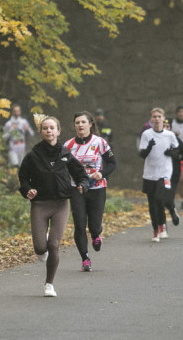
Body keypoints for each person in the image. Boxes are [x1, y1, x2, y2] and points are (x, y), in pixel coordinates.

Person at [18, 115, 89, 296]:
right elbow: (23, 178)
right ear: (41, 132)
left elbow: (81, 174)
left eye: (52, 128)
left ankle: (49, 284)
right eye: (45, 128)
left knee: (54, 245)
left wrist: (83, 185)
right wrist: (28, 190)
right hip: (40, 205)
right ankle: (43, 242)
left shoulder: (65, 155)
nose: (49, 131)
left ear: (58, 131)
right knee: (40, 248)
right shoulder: (33, 155)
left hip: (60, 204)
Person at [63, 111, 116, 272]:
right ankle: (85, 258)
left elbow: (112, 163)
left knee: (94, 225)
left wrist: (102, 173)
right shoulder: (68, 146)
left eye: (83, 122)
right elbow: (62, 168)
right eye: (77, 122)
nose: (80, 125)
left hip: (97, 187)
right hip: (77, 188)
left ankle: (95, 235)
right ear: (74, 126)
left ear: (90, 124)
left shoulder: (99, 142)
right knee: (79, 224)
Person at [138, 108, 181, 242]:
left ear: (163, 119)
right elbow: (142, 155)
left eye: (159, 116)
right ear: (151, 119)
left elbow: (178, 150)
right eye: (154, 117)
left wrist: (172, 153)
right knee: (152, 204)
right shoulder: (146, 134)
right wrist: (149, 147)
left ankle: (162, 225)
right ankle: (156, 229)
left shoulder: (169, 135)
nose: (157, 119)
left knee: (159, 198)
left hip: (165, 172)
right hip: (150, 173)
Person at [2, 103, 35, 171]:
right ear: (12, 112)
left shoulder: (24, 122)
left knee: (22, 168)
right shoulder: (8, 124)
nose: (17, 113)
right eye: (15, 111)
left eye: (18, 111)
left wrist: (28, 130)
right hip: (13, 146)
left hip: (22, 146)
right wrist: (11, 129)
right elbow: (3, 137)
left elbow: (32, 134)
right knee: (15, 166)